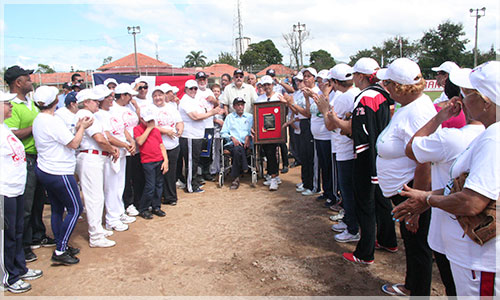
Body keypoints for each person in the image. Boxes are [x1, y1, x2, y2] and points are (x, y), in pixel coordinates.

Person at [393, 61, 500, 298]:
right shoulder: (489, 133)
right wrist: (428, 196)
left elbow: (471, 202)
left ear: (486, 101)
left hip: (480, 259)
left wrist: (428, 199)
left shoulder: (493, 138)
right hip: (473, 256)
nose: (462, 98)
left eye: (467, 93)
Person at [375, 58, 436, 296]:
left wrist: (416, 204)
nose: (385, 87)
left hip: (411, 190)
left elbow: (424, 161)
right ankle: (412, 285)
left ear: (398, 87)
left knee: (418, 244)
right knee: (411, 243)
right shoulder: (408, 106)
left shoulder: (417, 112)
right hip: (404, 189)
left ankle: (419, 291)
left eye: (388, 83)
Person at [338, 57, 397, 265]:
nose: (352, 78)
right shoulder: (382, 94)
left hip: (367, 156)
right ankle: (388, 239)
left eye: (355, 74)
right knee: (382, 200)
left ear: (361, 77)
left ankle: (365, 252)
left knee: (365, 203)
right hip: (381, 154)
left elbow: (360, 132)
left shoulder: (365, 97)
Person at [31, 86, 91, 266]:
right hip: (58, 171)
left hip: (47, 169)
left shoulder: (40, 119)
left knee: (57, 209)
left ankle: (61, 243)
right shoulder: (52, 121)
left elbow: (63, 139)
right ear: (55, 102)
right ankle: (60, 249)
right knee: (75, 208)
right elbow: (73, 143)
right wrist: (82, 128)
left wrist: (77, 129)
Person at [4, 65, 54, 263]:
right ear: (18, 83)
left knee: (38, 201)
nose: (31, 81)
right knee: (25, 205)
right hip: (25, 159)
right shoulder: (11, 106)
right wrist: (36, 126)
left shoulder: (31, 103)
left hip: (38, 158)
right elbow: (11, 133)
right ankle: (23, 246)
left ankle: (37, 234)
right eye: (27, 79)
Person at [1, 90, 43, 293]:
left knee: (17, 232)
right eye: (6, 103)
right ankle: (7, 277)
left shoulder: (5, 130)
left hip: (16, 189)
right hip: (4, 191)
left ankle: (19, 268)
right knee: (6, 236)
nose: (10, 106)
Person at [317, 63, 360, 243]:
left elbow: (330, 125)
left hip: (344, 147)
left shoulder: (343, 98)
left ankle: (352, 228)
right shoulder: (356, 93)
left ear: (335, 82)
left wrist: (325, 109)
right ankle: (349, 220)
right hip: (348, 146)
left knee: (347, 190)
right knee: (348, 189)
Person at [75, 89, 119, 248]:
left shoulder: (90, 114)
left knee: (97, 195)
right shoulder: (86, 115)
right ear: (86, 102)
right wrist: (112, 149)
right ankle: (95, 235)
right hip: (90, 156)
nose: (98, 103)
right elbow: (99, 139)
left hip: (94, 156)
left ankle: (97, 228)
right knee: (94, 197)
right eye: (94, 100)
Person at [93, 85, 137, 232]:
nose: (112, 98)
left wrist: (131, 141)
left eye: (111, 96)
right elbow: (108, 137)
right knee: (111, 187)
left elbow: (123, 129)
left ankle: (119, 212)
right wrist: (125, 144)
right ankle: (111, 219)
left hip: (122, 153)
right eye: (108, 97)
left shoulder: (113, 111)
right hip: (111, 154)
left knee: (120, 185)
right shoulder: (99, 114)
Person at [178, 79, 221, 193]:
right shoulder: (186, 100)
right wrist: (212, 112)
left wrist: (210, 110)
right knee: (191, 161)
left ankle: (194, 182)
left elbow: (203, 110)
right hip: (189, 135)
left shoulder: (194, 100)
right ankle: (190, 186)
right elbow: (195, 116)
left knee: (195, 160)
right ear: (186, 89)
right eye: (190, 88)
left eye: (195, 88)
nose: (193, 90)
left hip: (197, 134)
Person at [280, 68, 317, 196]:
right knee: (304, 156)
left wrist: (291, 104)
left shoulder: (314, 92)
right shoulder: (301, 93)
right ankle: (306, 182)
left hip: (309, 124)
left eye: (307, 77)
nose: (304, 80)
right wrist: (289, 104)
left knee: (310, 157)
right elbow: (298, 111)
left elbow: (307, 113)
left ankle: (312, 184)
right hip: (302, 125)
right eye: (303, 77)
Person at [134, 107, 169, 219]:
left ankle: (156, 206)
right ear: (142, 119)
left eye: (151, 121)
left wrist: (166, 160)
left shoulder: (156, 130)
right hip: (148, 161)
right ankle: (143, 208)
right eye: (147, 121)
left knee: (159, 184)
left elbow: (161, 145)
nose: (150, 123)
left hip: (159, 159)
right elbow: (140, 141)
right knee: (150, 186)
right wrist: (149, 128)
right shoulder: (138, 129)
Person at [113, 83, 142, 217]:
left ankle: (136, 201)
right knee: (125, 178)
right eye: (129, 95)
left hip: (136, 147)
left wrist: (136, 106)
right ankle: (127, 203)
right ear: (123, 95)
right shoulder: (114, 109)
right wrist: (129, 143)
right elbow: (120, 129)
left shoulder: (129, 106)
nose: (131, 97)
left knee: (137, 176)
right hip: (124, 148)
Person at [152, 85, 183, 206]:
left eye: (160, 95)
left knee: (171, 172)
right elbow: (152, 126)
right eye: (155, 96)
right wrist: (166, 131)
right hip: (158, 146)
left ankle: (171, 197)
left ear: (164, 96)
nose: (158, 98)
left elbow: (179, 121)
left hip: (173, 145)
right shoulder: (151, 109)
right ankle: (159, 198)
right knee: (159, 172)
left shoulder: (171, 108)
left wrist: (179, 129)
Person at [255, 75, 283, 191]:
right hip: (264, 133)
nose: (267, 87)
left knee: (273, 154)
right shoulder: (259, 99)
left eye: (269, 84)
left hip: (276, 132)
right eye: (264, 85)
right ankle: (273, 175)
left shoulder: (279, 96)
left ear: (273, 85)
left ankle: (274, 177)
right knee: (267, 153)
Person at [220, 97, 253, 189]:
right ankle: (244, 167)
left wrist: (248, 136)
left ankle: (235, 178)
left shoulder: (250, 117)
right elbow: (223, 132)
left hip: (246, 144)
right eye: (238, 105)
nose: (240, 107)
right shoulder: (229, 117)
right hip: (232, 144)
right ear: (234, 106)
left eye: (242, 105)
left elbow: (254, 130)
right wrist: (231, 137)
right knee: (237, 149)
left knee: (238, 149)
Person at [195, 71, 218, 181]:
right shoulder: (194, 92)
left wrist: (214, 100)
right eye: (200, 79)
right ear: (197, 81)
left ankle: (206, 171)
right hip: (198, 125)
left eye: (204, 79)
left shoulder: (209, 91)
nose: (202, 81)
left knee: (208, 149)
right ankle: (198, 173)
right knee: (199, 149)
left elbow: (217, 105)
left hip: (209, 124)